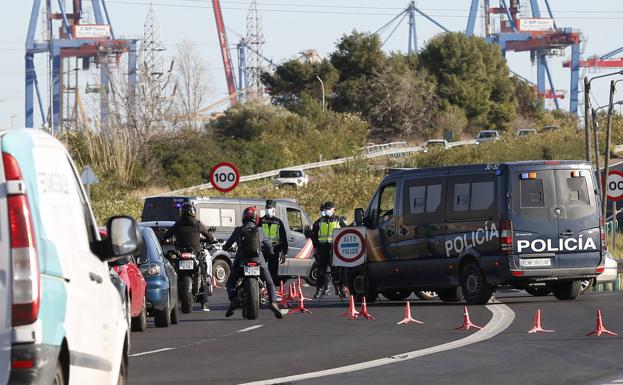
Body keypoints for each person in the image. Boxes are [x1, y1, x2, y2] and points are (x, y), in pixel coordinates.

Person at [223, 207, 283, 319]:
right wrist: (270, 252)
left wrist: (225, 248)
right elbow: (269, 246)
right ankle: (273, 302)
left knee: (230, 283)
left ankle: (234, 299)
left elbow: (227, 245)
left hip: (241, 260)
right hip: (258, 261)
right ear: (256, 218)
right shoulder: (259, 230)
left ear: (243, 218)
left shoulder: (238, 230)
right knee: (270, 282)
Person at [161, 202, 215, 312]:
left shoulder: (178, 224)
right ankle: (204, 303)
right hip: (195, 254)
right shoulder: (197, 224)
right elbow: (210, 237)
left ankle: (172, 297)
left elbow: (166, 236)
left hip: (180, 254)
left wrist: (164, 239)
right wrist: (210, 239)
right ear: (193, 212)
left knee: (173, 273)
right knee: (204, 276)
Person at [311, 201, 348, 298]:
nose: (327, 211)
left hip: (335, 249)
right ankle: (319, 290)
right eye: (326, 209)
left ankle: (341, 289)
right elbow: (314, 235)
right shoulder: (319, 221)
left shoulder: (338, 220)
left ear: (333, 210)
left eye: (329, 209)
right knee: (321, 271)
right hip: (322, 249)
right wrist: (315, 247)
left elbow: (346, 231)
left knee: (337, 270)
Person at [258, 200, 288, 284]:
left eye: (270, 208)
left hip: (274, 250)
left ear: (274, 209)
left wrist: (284, 253)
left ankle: (271, 290)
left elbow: (283, 238)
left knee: (273, 272)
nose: (268, 209)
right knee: (261, 270)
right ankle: (260, 288)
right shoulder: (260, 221)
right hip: (262, 249)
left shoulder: (278, 222)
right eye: (267, 207)